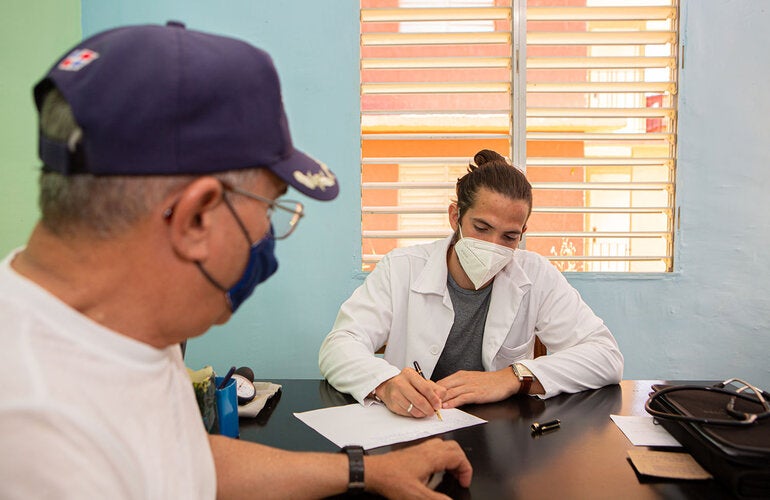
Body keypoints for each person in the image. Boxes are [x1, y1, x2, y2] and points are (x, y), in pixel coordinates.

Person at [0, 22, 472, 499]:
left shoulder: (127, 321)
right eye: (269, 208)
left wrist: (367, 471)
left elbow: (184, 458)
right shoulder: (35, 438)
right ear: (195, 218)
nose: (268, 235)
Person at [319, 150, 624, 419]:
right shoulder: (401, 268)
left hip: (501, 436)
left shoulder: (537, 275)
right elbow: (338, 345)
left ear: (523, 233)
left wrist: (513, 377)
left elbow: (606, 356)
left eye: (509, 236)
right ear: (455, 216)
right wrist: (386, 384)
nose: (493, 245)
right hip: (413, 427)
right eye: (481, 228)